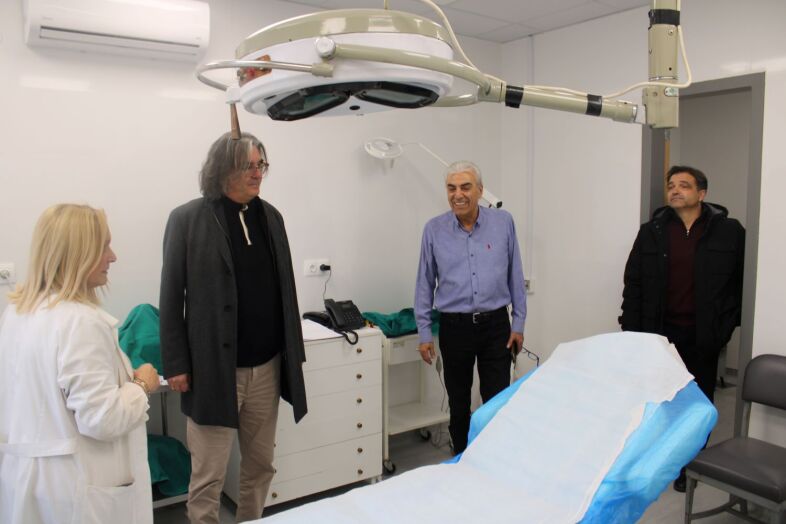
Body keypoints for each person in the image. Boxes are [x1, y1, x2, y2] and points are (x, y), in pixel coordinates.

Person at [160, 132, 307, 523]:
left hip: (267, 368)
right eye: (248, 166)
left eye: (261, 165)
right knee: (208, 476)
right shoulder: (187, 219)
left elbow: (286, 290)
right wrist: (176, 363)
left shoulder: (271, 217)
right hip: (213, 371)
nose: (258, 174)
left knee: (260, 466)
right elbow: (171, 296)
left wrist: (293, 354)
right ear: (222, 169)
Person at [0, 204, 159, 524]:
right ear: (77, 253)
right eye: (104, 246)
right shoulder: (81, 322)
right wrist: (142, 385)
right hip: (76, 490)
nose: (113, 257)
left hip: (31, 480)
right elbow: (102, 419)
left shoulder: (18, 312)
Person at [619, 165, 745, 492]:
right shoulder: (652, 231)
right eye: (671, 185)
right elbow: (634, 283)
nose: (675, 190)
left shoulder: (729, 232)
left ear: (702, 194)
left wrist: (725, 327)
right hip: (660, 335)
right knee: (660, 401)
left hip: (703, 336)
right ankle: (661, 460)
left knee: (697, 403)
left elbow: (740, 284)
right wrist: (632, 332)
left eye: (684, 185)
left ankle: (690, 465)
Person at [414, 160, 527, 455]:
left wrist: (518, 323)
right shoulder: (434, 230)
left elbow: (515, 274)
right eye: (451, 188)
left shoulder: (503, 223)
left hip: (496, 327)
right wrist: (424, 333)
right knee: (459, 401)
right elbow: (424, 283)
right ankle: (462, 459)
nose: (458, 195)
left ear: (480, 190)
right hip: (455, 327)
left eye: (465, 187)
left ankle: (493, 458)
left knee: (496, 400)